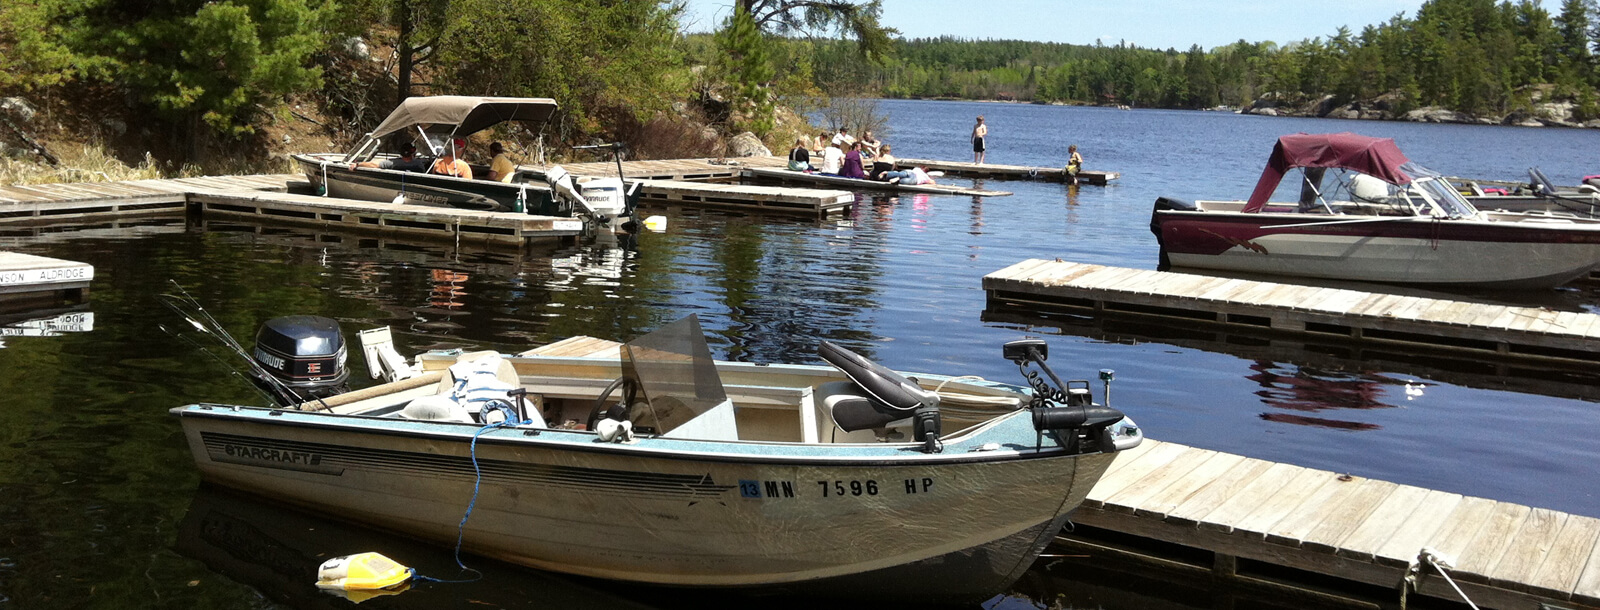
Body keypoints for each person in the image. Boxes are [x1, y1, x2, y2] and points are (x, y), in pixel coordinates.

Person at [350, 143, 428, 172]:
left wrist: (357, 165)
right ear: (412, 152)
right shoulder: (419, 163)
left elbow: (374, 165)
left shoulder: (392, 163)